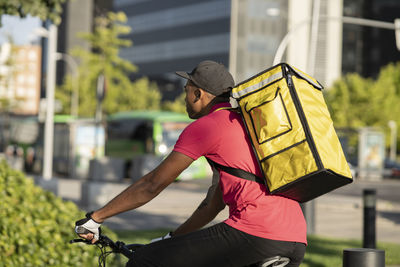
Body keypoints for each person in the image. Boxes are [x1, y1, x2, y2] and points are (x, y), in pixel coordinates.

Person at [75, 60, 307, 267]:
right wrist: (171, 239)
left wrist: (97, 217)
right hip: (295, 237)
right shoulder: (248, 123)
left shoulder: (207, 126)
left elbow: (152, 185)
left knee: (144, 261)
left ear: (199, 94)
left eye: (186, 91)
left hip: (255, 233)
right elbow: (212, 206)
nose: (184, 98)